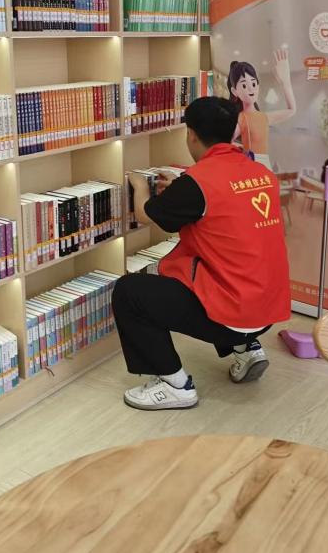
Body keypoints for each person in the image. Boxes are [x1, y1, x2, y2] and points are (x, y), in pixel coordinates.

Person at [112, 96, 291, 410]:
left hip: (233, 313)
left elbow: (146, 214)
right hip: (268, 308)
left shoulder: (197, 184)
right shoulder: (261, 173)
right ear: (232, 132)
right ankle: (247, 349)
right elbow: (223, 211)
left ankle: (174, 384)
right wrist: (181, 188)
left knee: (129, 291)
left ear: (191, 135)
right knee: (228, 266)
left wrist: (140, 187)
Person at [227, 48, 297, 170]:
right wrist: (240, 151)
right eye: (244, 85)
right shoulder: (241, 118)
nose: (251, 89)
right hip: (250, 166)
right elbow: (225, 142)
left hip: (264, 166)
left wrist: (286, 81)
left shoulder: (264, 117)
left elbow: (292, 110)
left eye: (253, 83)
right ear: (234, 91)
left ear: (258, 85)